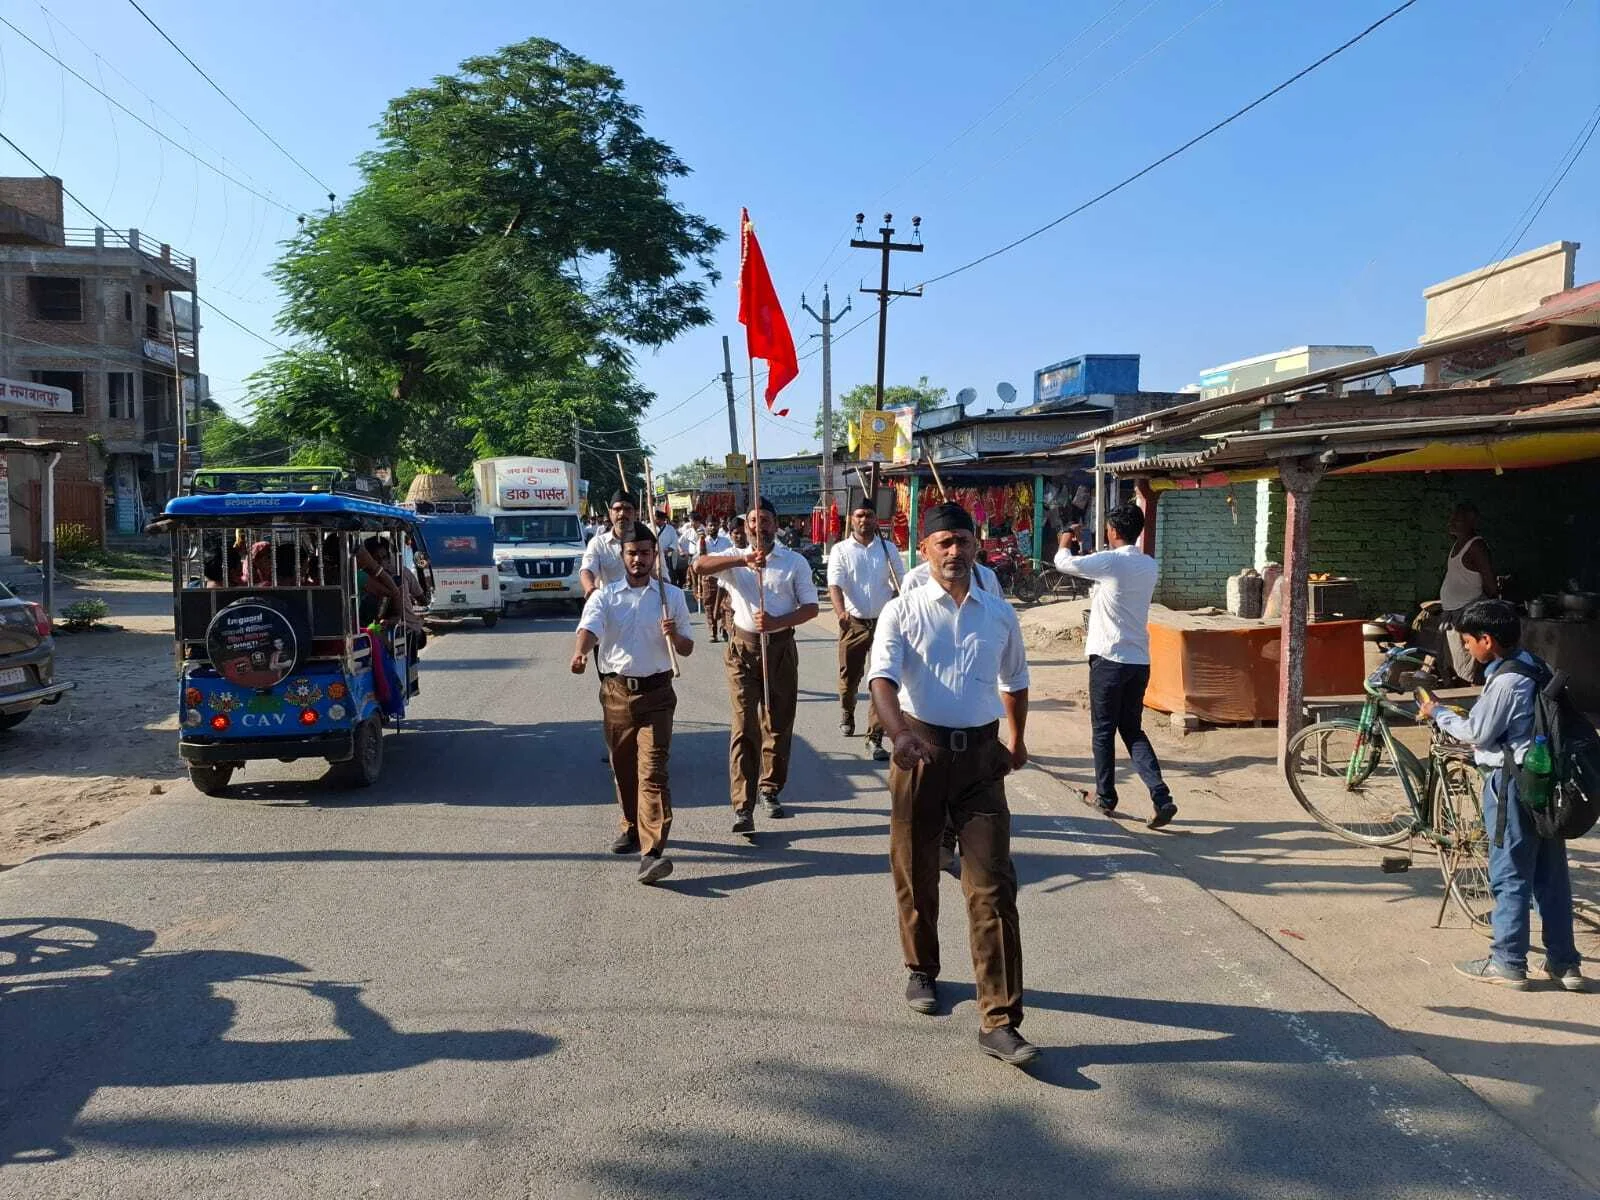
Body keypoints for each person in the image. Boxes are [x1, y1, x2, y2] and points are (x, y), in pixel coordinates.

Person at [867, 501, 1037, 1067]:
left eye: (963, 541)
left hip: (982, 761)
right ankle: (922, 969)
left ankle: (999, 1018)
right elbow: (883, 681)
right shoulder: (903, 610)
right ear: (926, 549)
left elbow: (1015, 678)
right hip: (921, 754)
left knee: (992, 886)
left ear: (976, 545)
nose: (955, 552)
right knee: (916, 871)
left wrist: (1017, 737)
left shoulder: (997, 613)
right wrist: (898, 736)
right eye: (944, 543)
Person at [1419, 599, 1585, 991]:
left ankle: (1508, 961)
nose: (1466, 649)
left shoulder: (1507, 681)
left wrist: (1440, 714)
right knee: (1551, 875)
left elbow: (1479, 733)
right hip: (1545, 782)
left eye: (1467, 641)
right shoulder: (1534, 665)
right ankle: (1565, 964)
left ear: (1486, 640)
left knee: (1509, 873)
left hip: (1511, 784)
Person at [570, 521, 694, 885]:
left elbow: (686, 648)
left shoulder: (671, 596)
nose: (638, 559)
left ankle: (652, 852)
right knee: (623, 769)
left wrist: (675, 635)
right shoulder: (605, 596)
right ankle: (630, 824)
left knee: (653, 773)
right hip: (617, 693)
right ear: (622, 557)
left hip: (657, 693)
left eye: (644, 552)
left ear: (655, 555)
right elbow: (589, 629)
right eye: (632, 553)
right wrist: (579, 654)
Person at [693, 498, 819, 834]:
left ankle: (770, 788)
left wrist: (779, 620)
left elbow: (810, 608)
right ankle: (742, 806)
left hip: (779, 649)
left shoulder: (794, 563)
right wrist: (742, 559)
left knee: (777, 724)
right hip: (741, 651)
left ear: (775, 524)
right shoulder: (736, 561)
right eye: (752, 520)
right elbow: (699, 566)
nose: (758, 525)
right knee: (744, 725)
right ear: (745, 526)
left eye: (764, 519)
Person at [1054, 504, 1177, 830]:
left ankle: (1105, 797)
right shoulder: (1147, 564)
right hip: (1138, 660)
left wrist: (1066, 539)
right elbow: (1105, 569)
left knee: (1103, 731)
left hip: (1109, 660)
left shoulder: (1111, 562)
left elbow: (1062, 563)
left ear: (1113, 531)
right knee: (1132, 730)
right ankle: (1160, 794)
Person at [826, 497, 901, 761]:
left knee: (881, 680)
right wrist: (840, 613)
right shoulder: (841, 550)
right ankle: (847, 712)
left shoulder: (888, 549)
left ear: (874, 518)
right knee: (849, 680)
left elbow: (899, 584)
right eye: (859, 515)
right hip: (853, 623)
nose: (864, 520)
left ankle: (875, 738)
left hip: (884, 623)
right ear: (852, 519)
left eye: (868, 515)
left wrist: (897, 609)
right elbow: (834, 584)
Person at [1437, 502, 1497, 686]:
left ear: (1471, 521)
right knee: (1453, 661)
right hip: (1453, 612)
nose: (1451, 522)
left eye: (1457, 519)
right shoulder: (1458, 544)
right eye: (1452, 519)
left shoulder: (1476, 546)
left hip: (1467, 612)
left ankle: (1471, 696)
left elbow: (1490, 582)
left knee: (1468, 664)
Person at [580, 493, 637, 597]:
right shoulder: (598, 544)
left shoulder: (648, 543)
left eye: (628, 509)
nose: (622, 513)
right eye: (617, 509)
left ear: (635, 513)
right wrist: (590, 588)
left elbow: (661, 575)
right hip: (610, 605)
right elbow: (587, 569)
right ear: (610, 513)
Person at [699, 517, 733, 642]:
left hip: (724, 576)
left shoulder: (726, 541)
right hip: (709, 577)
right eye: (710, 525)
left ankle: (724, 627)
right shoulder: (703, 541)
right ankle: (713, 632)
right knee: (709, 604)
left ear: (719, 526)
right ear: (706, 526)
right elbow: (700, 560)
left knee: (724, 604)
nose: (712, 528)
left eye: (714, 525)